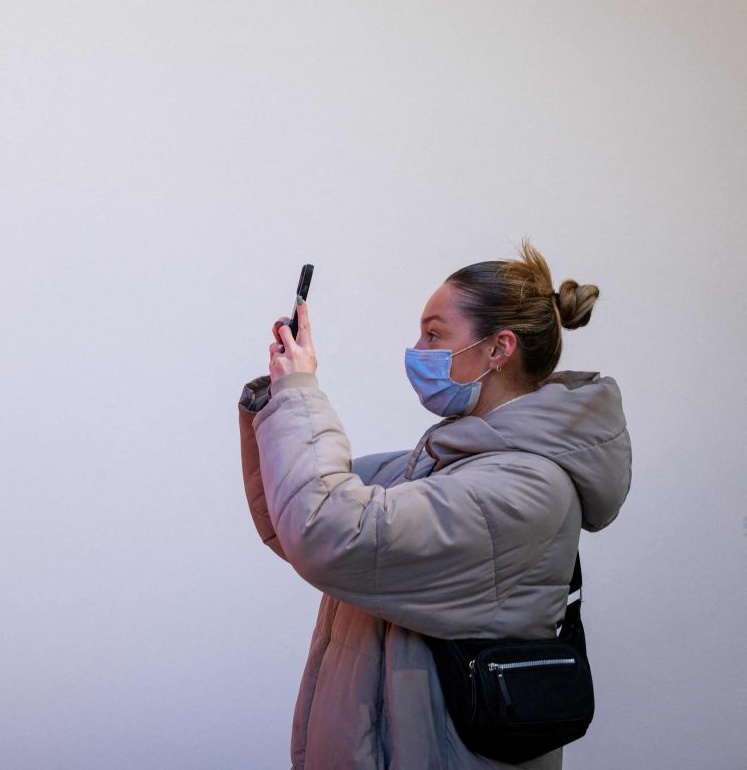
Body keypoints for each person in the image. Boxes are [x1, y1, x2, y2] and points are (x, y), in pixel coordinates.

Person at [238, 243, 631, 769]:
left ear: (499, 348)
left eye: (434, 334)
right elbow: (295, 515)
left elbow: (329, 532)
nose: (418, 350)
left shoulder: (525, 487)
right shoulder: (450, 464)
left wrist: (300, 394)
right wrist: (278, 397)